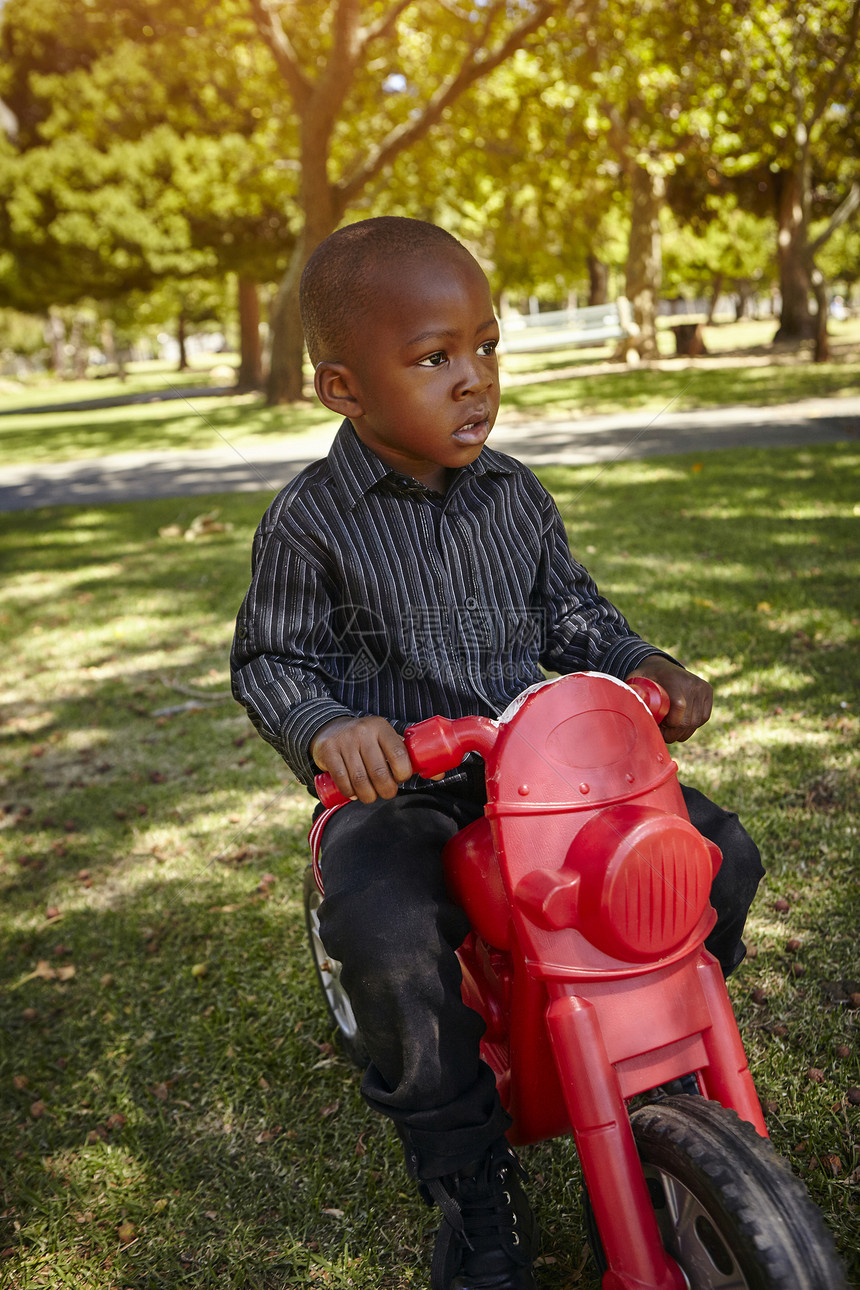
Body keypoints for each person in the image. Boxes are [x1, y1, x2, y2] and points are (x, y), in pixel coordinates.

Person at [230, 216, 764, 1290]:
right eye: (433, 359)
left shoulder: (514, 495)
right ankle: (465, 1171)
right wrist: (333, 728)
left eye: (484, 347)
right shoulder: (309, 523)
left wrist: (648, 661)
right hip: (407, 789)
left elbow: (575, 618)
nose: (473, 381)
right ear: (343, 389)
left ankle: (650, 1067)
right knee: (387, 935)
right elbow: (270, 662)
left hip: (550, 775)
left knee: (715, 852)